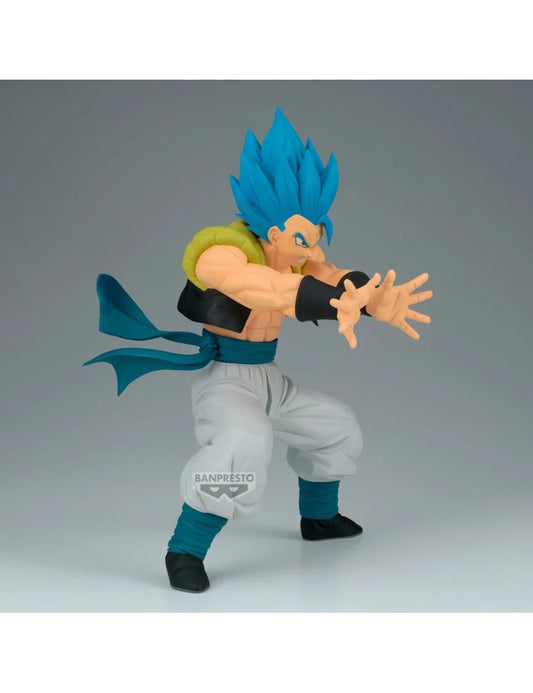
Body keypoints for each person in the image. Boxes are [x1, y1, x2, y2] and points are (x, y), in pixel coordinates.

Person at [85, 108, 432, 593]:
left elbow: (329, 275)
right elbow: (258, 286)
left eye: (316, 233)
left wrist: (371, 298)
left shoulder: (298, 255)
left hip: (268, 377)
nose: (310, 247)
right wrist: (324, 299)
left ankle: (319, 518)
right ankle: (186, 547)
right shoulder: (220, 252)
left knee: (335, 426)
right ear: (272, 229)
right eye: (302, 236)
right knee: (243, 444)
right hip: (224, 378)